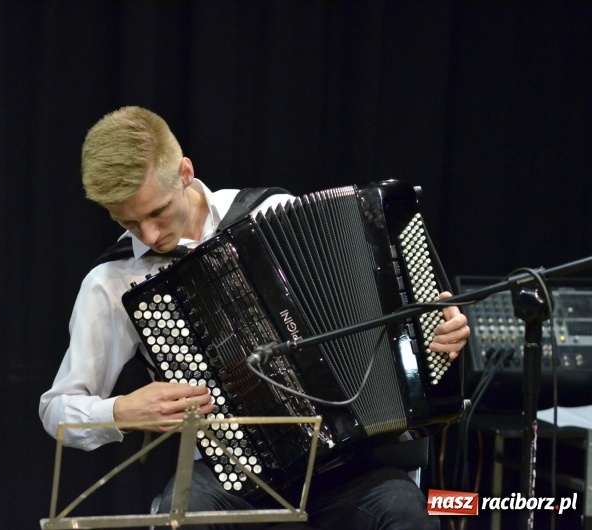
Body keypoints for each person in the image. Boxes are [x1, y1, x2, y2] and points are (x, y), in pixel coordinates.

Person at [39, 106, 470, 530]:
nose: (149, 236)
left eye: (157, 212)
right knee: (182, 515)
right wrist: (122, 411)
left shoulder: (271, 211)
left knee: (406, 512)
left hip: (349, 464)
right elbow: (56, 409)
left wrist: (431, 329)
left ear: (185, 171)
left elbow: (381, 309)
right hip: (235, 475)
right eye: (128, 222)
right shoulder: (112, 281)